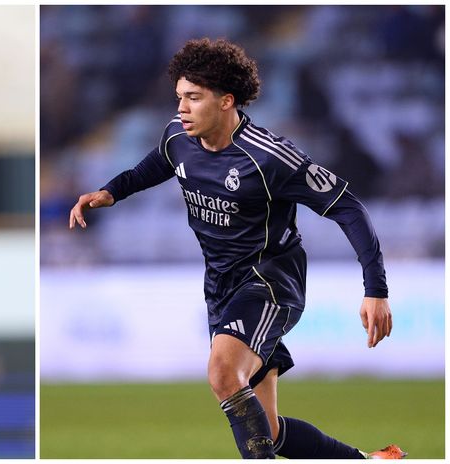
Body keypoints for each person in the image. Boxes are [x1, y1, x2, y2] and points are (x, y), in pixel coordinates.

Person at [69, 38, 405, 460]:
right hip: (221, 287)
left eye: (194, 98)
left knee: (223, 373)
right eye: (179, 97)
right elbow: (157, 163)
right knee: (269, 430)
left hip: (270, 280)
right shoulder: (178, 136)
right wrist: (111, 191)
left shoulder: (270, 157)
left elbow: (348, 207)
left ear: (226, 100)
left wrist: (376, 289)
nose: (181, 108)